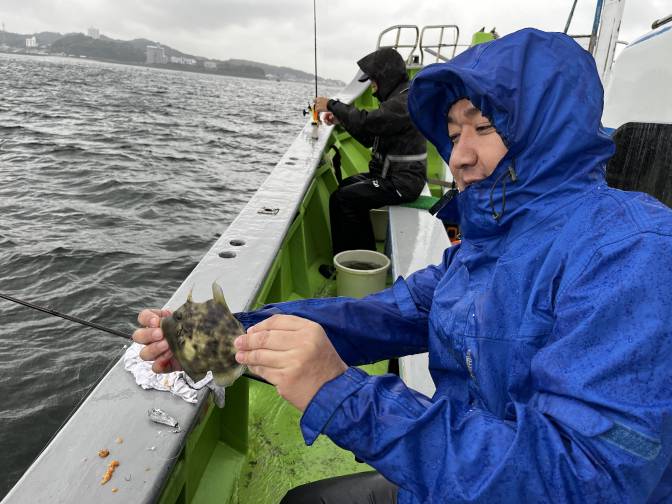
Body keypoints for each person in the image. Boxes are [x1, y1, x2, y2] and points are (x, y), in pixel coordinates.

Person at [133, 28, 672, 503]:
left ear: (550, 129)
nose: (458, 157)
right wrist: (233, 331)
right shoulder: (491, 241)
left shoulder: (631, 252)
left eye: (484, 128)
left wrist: (341, 393)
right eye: (454, 135)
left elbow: (585, 480)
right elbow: (391, 313)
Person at [313, 47, 427, 266]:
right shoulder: (398, 98)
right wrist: (342, 120)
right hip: (390, 177)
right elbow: (369, 136)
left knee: (344, 199)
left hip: (403, 183)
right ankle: (350, 258)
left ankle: (363, 264)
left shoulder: (404, 101)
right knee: (345, 189)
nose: (372, 85)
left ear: (385, 76)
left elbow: (368, 121)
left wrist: (331, 105)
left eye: (373, 79)